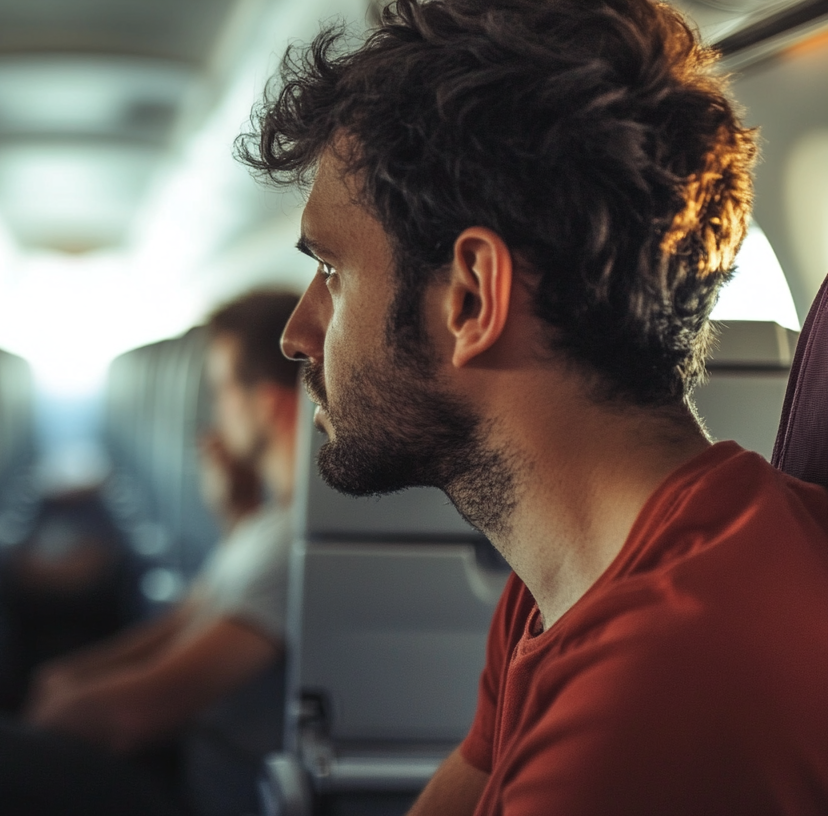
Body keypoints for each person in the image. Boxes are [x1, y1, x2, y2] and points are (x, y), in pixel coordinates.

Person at [238, 1, 828, 814]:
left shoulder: (658, 694)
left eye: (334, 272)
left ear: (473, 297)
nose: (299, 334)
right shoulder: (569, 579)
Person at [26, 290, 301, 816]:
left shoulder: (291, 545)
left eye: (222, 391)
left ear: (270, 404)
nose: (215, 413)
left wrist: (59, 706)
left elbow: (141, 712)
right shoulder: (269, 525)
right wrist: (235, 515)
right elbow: (191, 621)